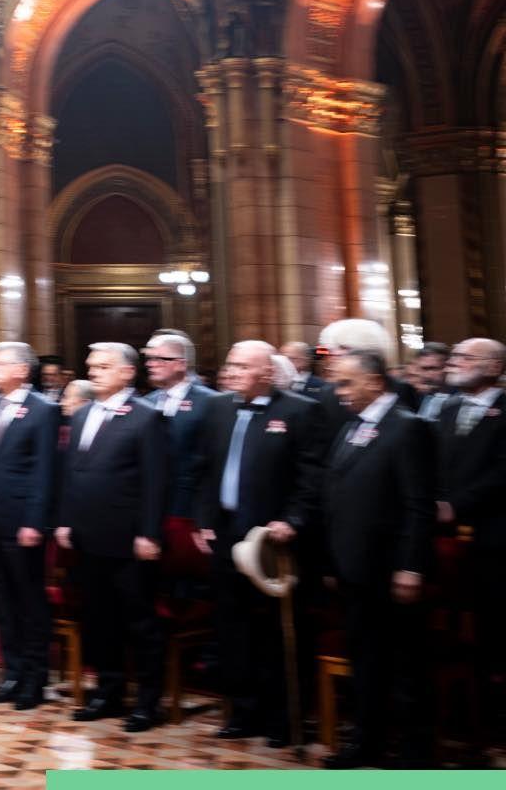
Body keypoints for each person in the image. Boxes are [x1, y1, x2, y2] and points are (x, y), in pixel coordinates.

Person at [193, 339, 323, 746]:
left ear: (267, 372)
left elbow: (311, 478)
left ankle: (283, 718)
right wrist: (203, 521)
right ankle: (243, 711)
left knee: (277, 632)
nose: (231, 372)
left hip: (272, 540)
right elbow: (202, 470)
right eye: (229, 364)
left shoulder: (301, 412)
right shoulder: (216, 408)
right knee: (233, 628)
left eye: (242, 366)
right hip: (226, 535)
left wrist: (293, 520)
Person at [320, 343, 433, 769]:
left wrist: (411, 565)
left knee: (405, 663)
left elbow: (418, 504)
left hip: (391, 569)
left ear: (375, 381)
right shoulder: (352, 427)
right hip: (354, 568)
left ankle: (414, 751)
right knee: (364, 659)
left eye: (346, 383)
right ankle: (366, 741)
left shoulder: (408, 427)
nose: (338, 391)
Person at [57, 341, 168, 732]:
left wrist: (149, 533)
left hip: (128, 539)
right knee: (98, 619)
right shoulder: (83, 412)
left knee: (139, 622)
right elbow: (73, 473)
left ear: (127, 372)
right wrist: (66, 520)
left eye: (103, 366)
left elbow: (156, 482)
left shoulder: (146, 417)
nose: (94, 372)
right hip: (88, 537)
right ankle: (108, 692)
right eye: (91, 366)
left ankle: (149, 702)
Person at [0, 341, 59, 710]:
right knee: (2, 599)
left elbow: (45, 472)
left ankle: (35, 678)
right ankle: (12, 673)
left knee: (29, 600)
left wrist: (36, 521)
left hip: (23, 522)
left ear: (22, 370)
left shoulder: (44, 410)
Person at [433, 337, 504, 727]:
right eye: (454, 356)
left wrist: (457, 505)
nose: (454, 362)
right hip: (447, 534)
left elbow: (501, 471)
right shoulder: (448, 408)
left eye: (465, 357)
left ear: (494, 367)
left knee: (493, 617)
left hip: (494, 533)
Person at [142, 330, 218, 581]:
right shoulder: (147, 402)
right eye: (149, 359)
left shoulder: (211, 403)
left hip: (189, 512)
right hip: (154, 510)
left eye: (159, 359)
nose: (150, 364)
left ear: (180, 364)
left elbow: (212, 465)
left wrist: (204, 519)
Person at [409, 342, 453, 421]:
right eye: (423, 369)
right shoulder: (416, 397)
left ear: (447, 367)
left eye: (433, 368)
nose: (427, 375)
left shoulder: (462, 399)